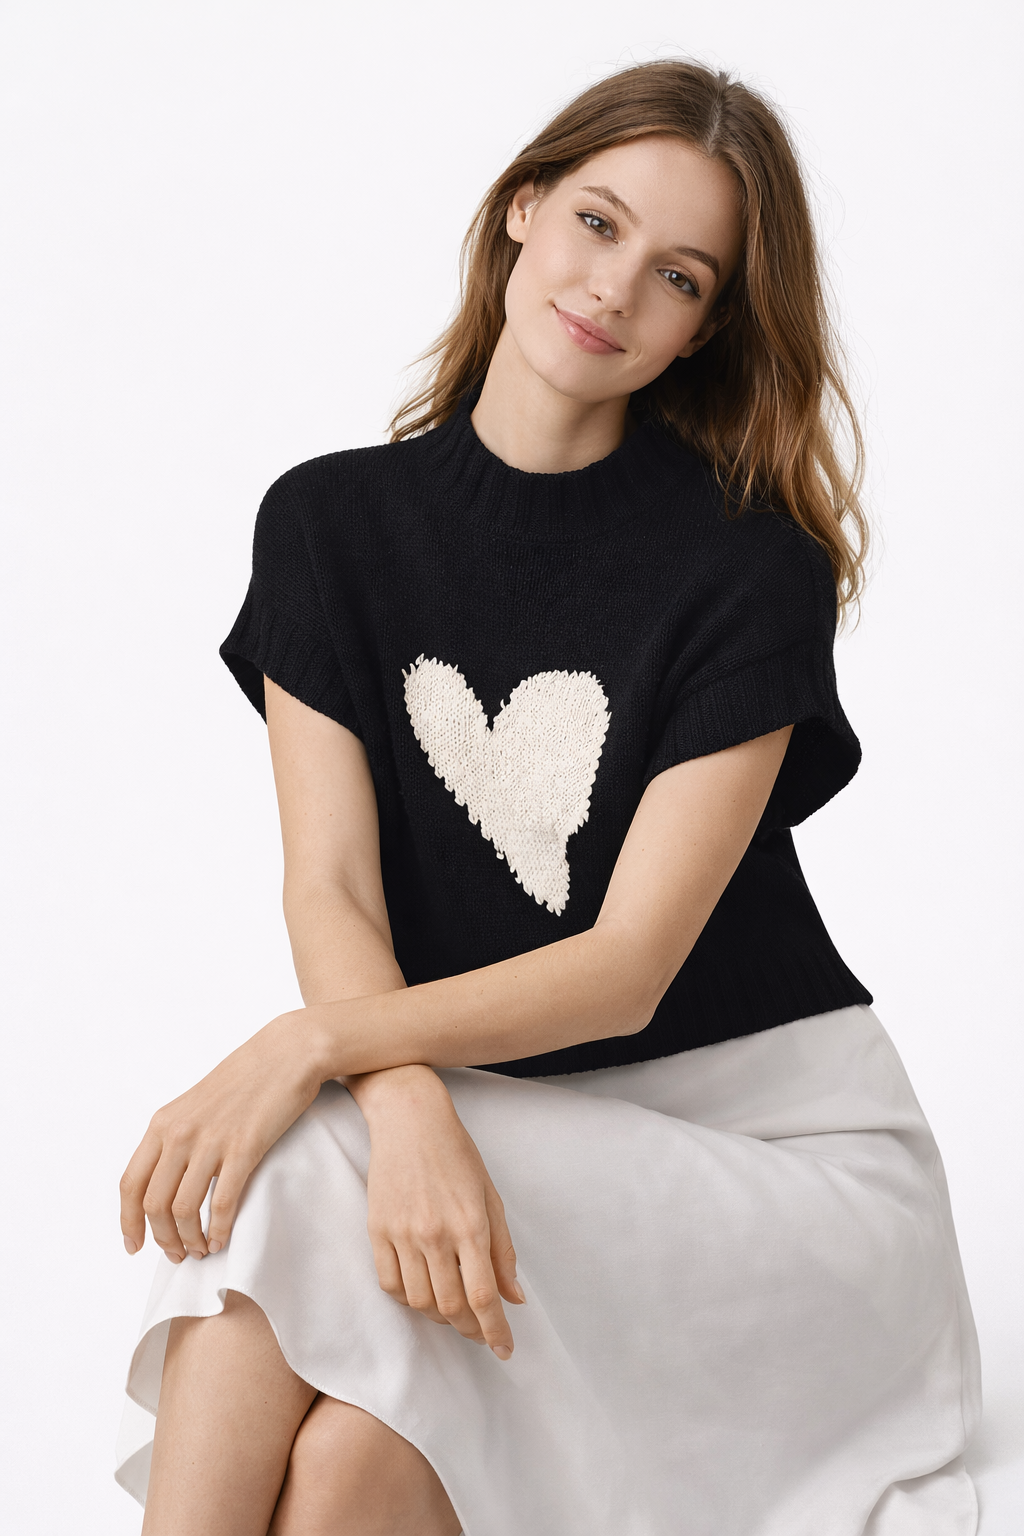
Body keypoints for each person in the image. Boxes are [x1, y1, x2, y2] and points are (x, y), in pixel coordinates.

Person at [114, 59, 981, 1536]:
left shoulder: (749, 570)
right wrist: (405, 1104)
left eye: (679, 275)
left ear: (706, 326)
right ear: (522, 208)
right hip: (502, 1133)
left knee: (297, 1154)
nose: (614, 288)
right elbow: (331, 887)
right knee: (351, 1466)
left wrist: (318, 1051)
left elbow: (627, 967)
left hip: (779, 1176)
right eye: (596, 220)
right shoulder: (330, 525)